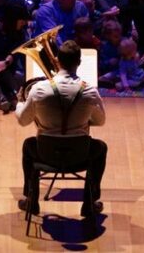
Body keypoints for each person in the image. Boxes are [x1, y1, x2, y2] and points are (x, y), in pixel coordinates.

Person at [15, 40, 107, 217]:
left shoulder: (38, 89)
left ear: (57, 60)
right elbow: (100, 121)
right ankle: (89, 204)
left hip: (46, 154)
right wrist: (81, 119)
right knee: (100, 148)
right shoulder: (90, 91)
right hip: (79, 155)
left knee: (28, 145)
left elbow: (22, 121)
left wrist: (20, 102)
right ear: (79, 63)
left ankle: (31, 201)